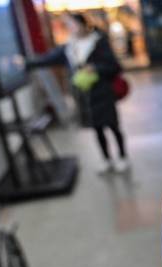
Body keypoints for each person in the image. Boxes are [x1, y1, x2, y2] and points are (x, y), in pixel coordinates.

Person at [28, 13, 129, 173]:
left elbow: (115, 66)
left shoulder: (98, 42)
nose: (71, 28)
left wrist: (95, 68)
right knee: (97, 129)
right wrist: (27, 62)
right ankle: (107, 159)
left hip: (103, 92)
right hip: (85, 96)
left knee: (113, 126)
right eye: (68, 25)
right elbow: (48, 59)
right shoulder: (70, 47)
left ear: (83, 24)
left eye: (73, 24)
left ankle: (123, 157)